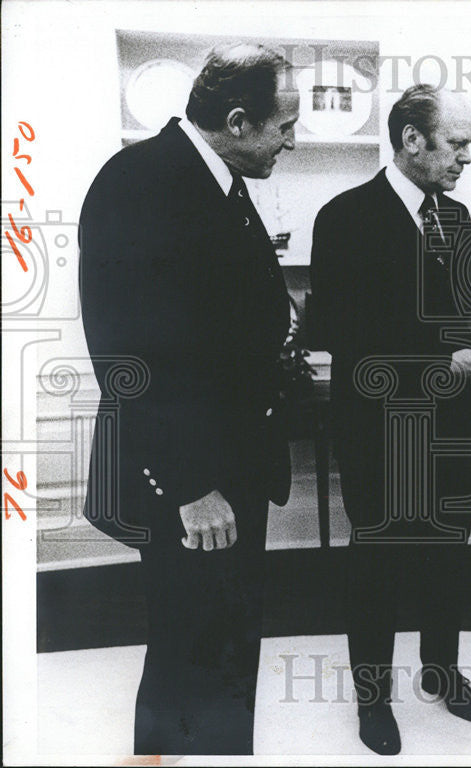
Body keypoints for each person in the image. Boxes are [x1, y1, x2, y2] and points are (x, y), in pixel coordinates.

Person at [78, 44, 299, 754]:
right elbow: (125, 358)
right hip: (190, 479)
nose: (292, 141)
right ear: (238, 121)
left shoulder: (217, 180)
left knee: (226, 644)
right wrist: (190, 487)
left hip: (230, 465)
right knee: (186, 642)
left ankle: (216, 751)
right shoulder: (138, 181)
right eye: (284, 126)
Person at [310, 84, 471, 756]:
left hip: (451, 423)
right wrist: (443, 357)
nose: (467, 158)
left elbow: (457, 313)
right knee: (378, 564)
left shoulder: (455, 218)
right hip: (377, 426)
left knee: (448, 552)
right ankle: (373, 701)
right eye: (458, 143)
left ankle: (442, 670)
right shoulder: (343, 218)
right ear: (412, 140)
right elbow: (344, 331)